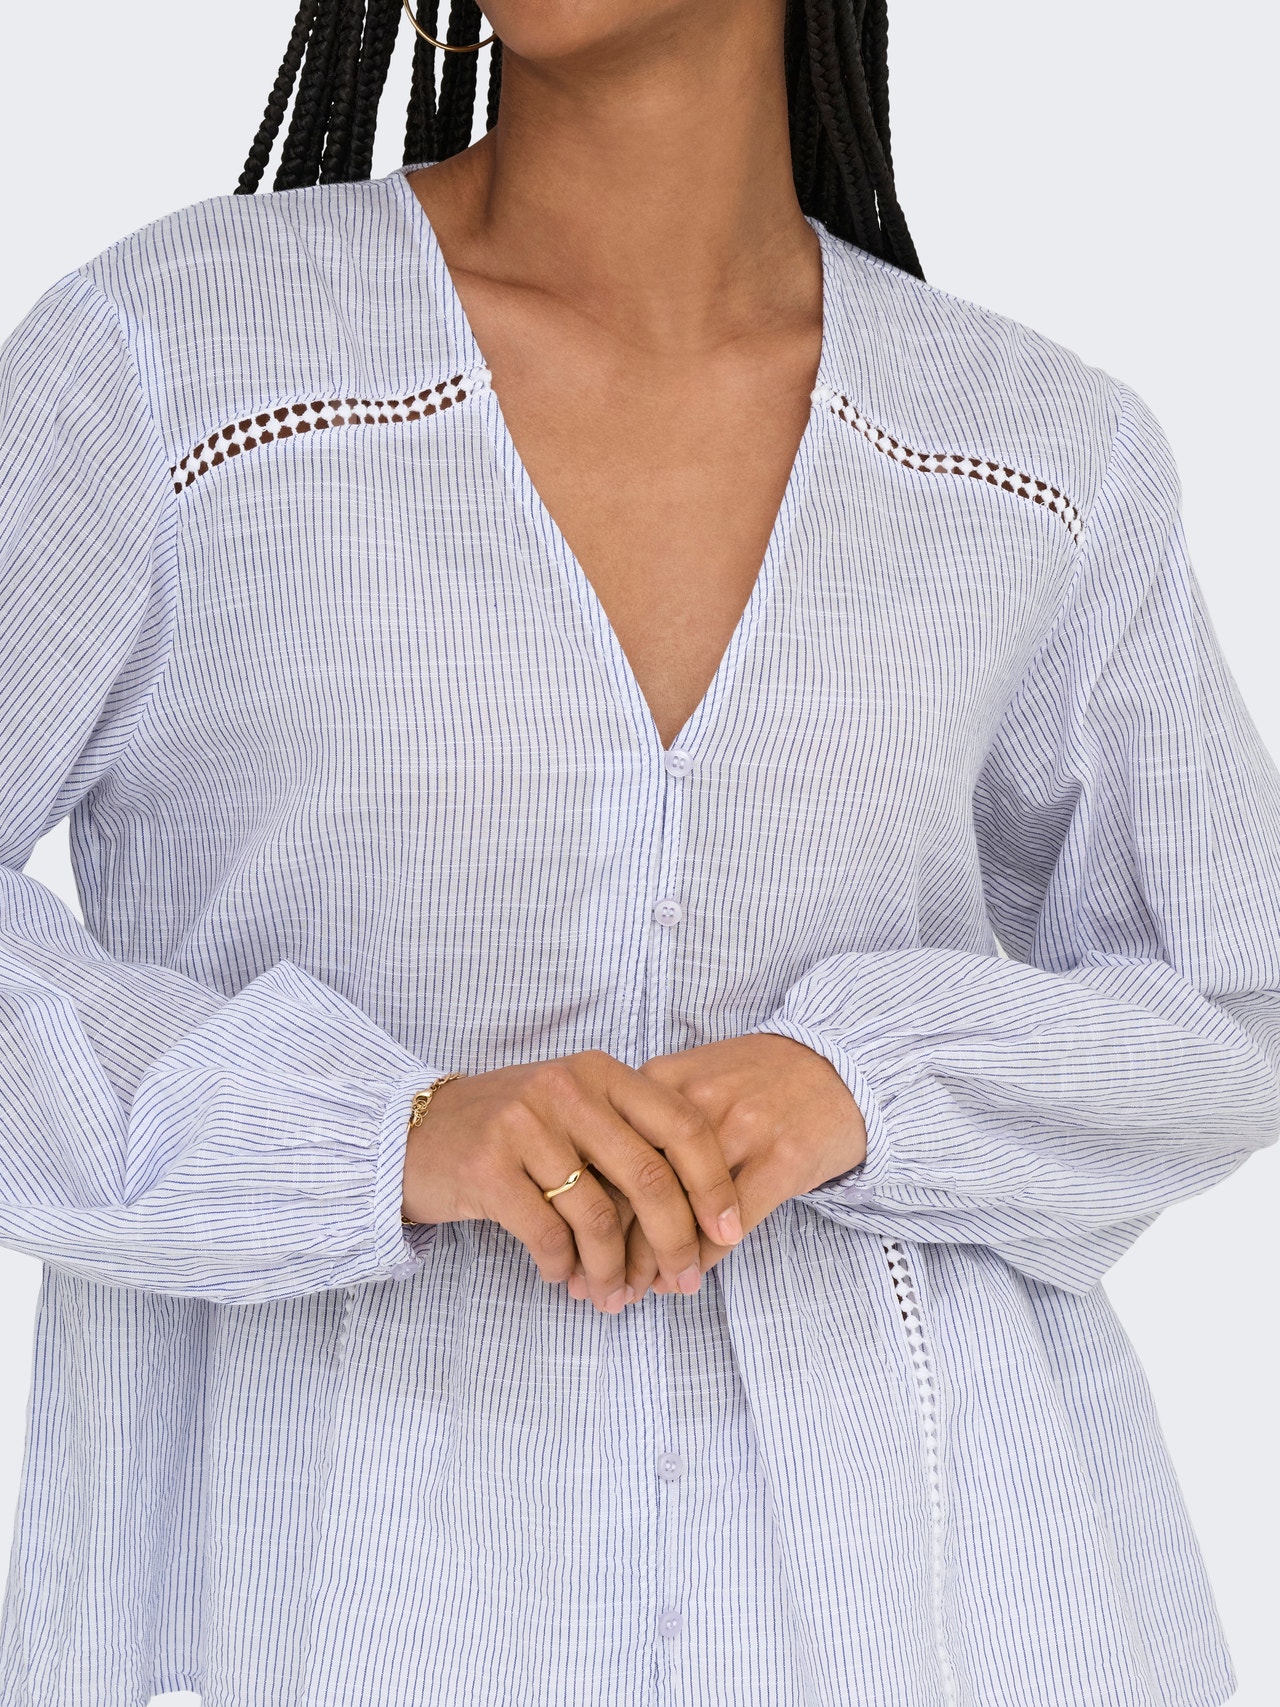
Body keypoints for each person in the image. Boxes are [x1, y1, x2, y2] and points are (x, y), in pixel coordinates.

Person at [1, 0, 1276, 1701]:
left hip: (925, 1611)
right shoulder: (176, 366)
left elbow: (1229, 1001)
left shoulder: (1036, 456)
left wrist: (861, 1086)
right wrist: (382, 1132)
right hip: (331, 1605)